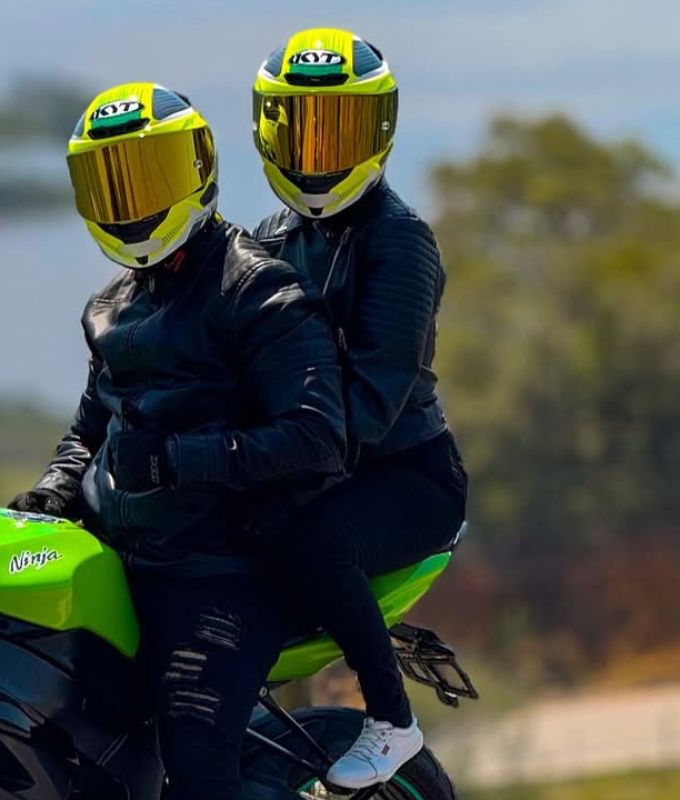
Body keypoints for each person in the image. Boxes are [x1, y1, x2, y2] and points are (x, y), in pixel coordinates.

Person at [9, 82, 347, 799]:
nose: (132, 202)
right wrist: (53, 490)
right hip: (126, 564)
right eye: (111, 183)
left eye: (149, 175)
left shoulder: (258, 291)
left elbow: (318, 435)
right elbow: (91, 427)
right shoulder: (109, 310)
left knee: (194, 765)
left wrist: (175, 462)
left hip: (230, 568)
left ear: (197, 169)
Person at [250, 27, 469, 789]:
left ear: (376, 132)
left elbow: (375, 399)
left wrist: (264, 468)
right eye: (299, 128)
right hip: (313, 467)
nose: (317, 150)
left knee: (313, 547)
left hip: (405, 477)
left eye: (336, 128)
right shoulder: (269, 237)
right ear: (269, 132)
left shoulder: (401, 242)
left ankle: (392, 721)